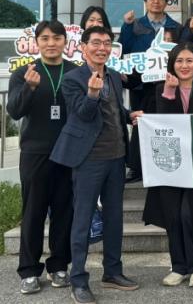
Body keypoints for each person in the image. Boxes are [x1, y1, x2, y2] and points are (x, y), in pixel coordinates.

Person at [50, 26, 143, 304]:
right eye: (96, 43)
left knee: (114, 218)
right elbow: (82, 114)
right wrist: (91, 94)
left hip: (116, 157)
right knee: (82, 219)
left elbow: (113, 109)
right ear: (83, 47)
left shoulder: (113, 75)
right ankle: (78, 279)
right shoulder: (72, 79)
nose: (102, 48)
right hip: (88, 159)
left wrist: (129, 115)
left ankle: (112, 272)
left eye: (106, 43)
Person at [7, 20, 77, 295]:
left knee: (64, 211)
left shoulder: (75, 72)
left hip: (68, 152)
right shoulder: (24, 72)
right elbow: (15, 111)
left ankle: (59, 266)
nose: (51, 43)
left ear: (65, 42)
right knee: (33, 212)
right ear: (36, 42)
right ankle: (28, 270)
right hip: (35, 152)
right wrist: (29, 88)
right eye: (45, 38)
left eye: (56, 38)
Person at [142, 42, 193, 288]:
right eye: (179, 61)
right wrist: (169, 92)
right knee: (172, 215)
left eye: (189, 60)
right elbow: (160, 123)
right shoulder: (160, 88)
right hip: (170, 163)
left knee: (190, 214)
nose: (184, 66)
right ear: (172, 64)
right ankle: (178, 267)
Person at [119, 0, 182, 183]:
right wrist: (126, 26)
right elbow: (124, 49)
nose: (156, 2)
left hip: (168, 85)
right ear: (146, 1)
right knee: (140, 123)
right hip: (141, 85)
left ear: (167, 2)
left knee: (168, 124)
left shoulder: (175, 27)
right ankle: (136, 167)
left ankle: (170, 164)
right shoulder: (135, 25)